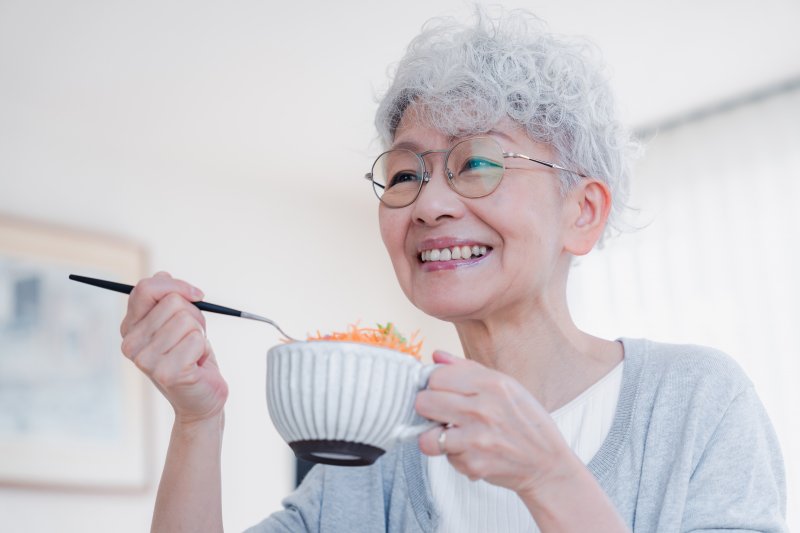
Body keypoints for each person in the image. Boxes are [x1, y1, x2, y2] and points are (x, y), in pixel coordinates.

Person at [119, 8, 787, 532]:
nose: (430, 203)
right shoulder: (378, 433)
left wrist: (551, 476)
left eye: (477, 162)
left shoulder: (696, 402)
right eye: (407, 172)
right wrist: (197, 421)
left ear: (583, 213)